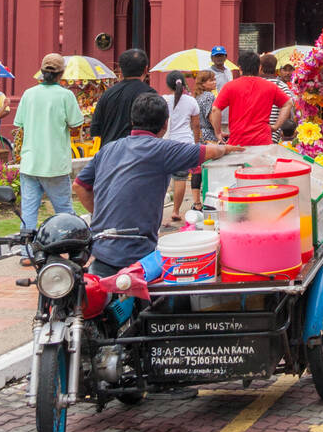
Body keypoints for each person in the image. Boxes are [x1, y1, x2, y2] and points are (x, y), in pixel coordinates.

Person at [73, 92, 228, 276]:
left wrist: (100, 214)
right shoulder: (163, 149)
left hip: (101, 247)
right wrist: (226, 147)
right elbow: (210, 151)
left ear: (132, 121)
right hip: (138, 249)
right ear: (165, 124)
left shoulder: (108, 149)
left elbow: (79, 186)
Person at [14, 52, 84, 262]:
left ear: (42, 72)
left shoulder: (28, 94)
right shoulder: (65, 96)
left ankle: (27, 253)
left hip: (30, 162)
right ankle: (73, 250)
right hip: (55, 164)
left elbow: (20, 126)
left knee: (28, 211)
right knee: (64, 210)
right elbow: (76, 125)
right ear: (61, 74)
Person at [209, 50, 293, 146]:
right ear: (259, 67)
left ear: (240, 68)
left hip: (238, 143)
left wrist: (218, 132)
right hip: (263, 141)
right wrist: (275, 126)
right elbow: (288, 104)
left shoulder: (230, 86)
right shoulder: (270, 86)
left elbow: (215, 109)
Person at [89, 48, 155, 145]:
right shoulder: (150, 95)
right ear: (146, 69)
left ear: (120, 70)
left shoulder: (107, 94)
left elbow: (95, 129)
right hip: (137, 153)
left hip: (109, 154)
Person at [161, 71, 201, 218]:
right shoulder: (191, 101)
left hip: (166, 143)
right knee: (180, 178)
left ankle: (159, 209)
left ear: (167, 84)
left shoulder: (163, 101)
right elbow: (196, 126)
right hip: (185, 144)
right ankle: (176, 211)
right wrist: (196, 143)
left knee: (164, 176)